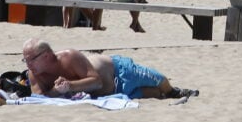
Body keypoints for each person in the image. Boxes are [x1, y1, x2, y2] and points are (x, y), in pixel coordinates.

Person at [20, 39, 195, 99]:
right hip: (112, 92)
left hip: (119, 70)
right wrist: (57, 91)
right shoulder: (34, 74)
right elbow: (40, 97)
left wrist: (71, 86)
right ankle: (165, 95)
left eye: (30, 59)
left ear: (46, 55)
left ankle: (175, 92)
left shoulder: (69, 57)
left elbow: (96, 82)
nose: (28, 64)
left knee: (161, 81)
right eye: (25, 60)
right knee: (155, 94)